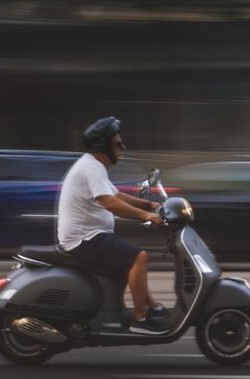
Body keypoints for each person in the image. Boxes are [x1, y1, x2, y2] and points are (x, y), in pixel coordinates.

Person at [56, 116, 169, 335]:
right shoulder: (92, 167)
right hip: (84, 239)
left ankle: (153, 306)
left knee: (130, 258)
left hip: (91, 235)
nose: (123, 146)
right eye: (117, 143)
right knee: (139, 257)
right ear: (103, 146)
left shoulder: (93, 166)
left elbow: (115, 194)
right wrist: (148, 215)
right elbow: (110, 203)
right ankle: (140, 319)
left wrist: (150, 204)